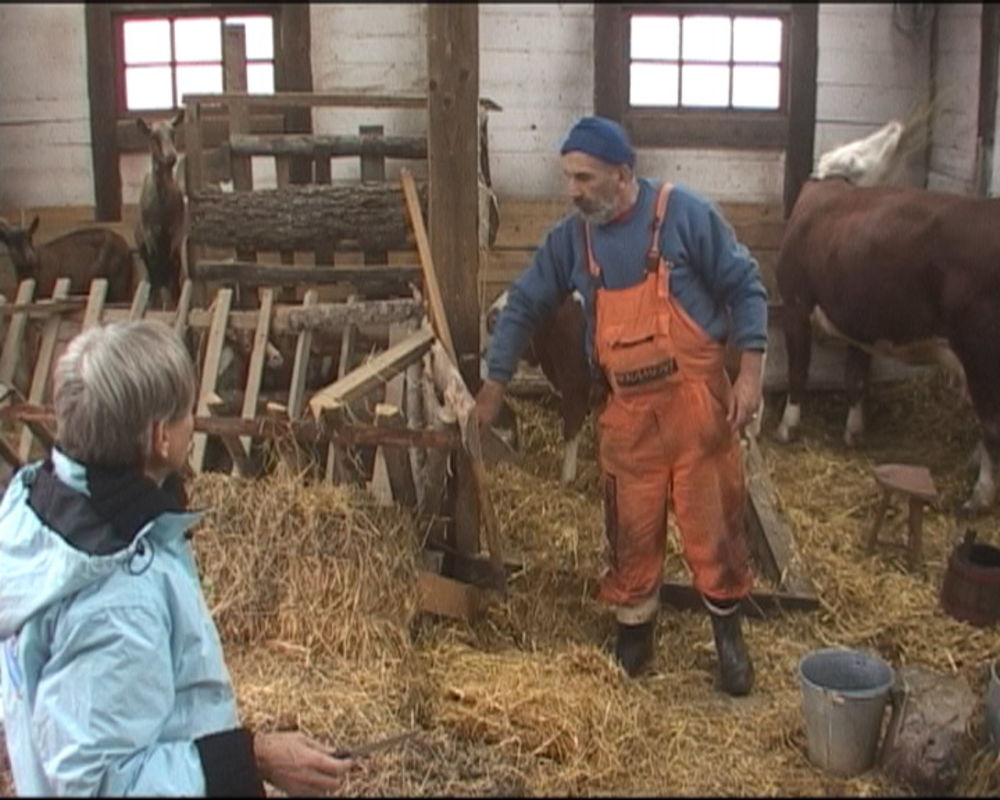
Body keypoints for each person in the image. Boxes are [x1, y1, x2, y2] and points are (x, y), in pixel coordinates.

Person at [0, 320, 358, 796]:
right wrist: (252, 758)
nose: (194, 423)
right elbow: (101, 784)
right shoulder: (117, 597)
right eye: (187, 413)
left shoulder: (37, 508)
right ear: (160, 438)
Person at [476, 116, 767, 694]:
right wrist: (494, 382)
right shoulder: (572, 239)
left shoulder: (684, 215)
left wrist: (751, 374)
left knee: (714, 528)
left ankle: (728, 641)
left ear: (623, 174)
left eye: (584, 178)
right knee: (629, 530)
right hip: (627, 412)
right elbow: (525, 304)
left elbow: (745, 286)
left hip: (695, 405)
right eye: (568, 178)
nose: (573, 191)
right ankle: (635, 636)